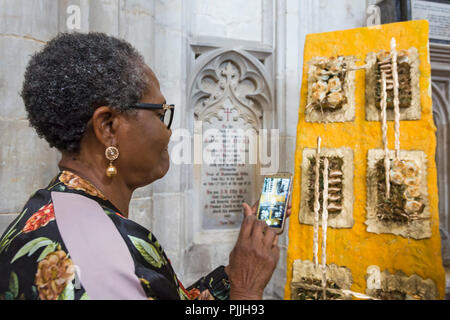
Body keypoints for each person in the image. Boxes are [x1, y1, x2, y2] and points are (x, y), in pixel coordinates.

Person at [0, 32, 289, 300]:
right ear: (109, 127)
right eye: (161, 114)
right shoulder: (101, 257)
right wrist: (247, 288)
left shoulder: (49, 208)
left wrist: (235, 275)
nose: (169, 132)